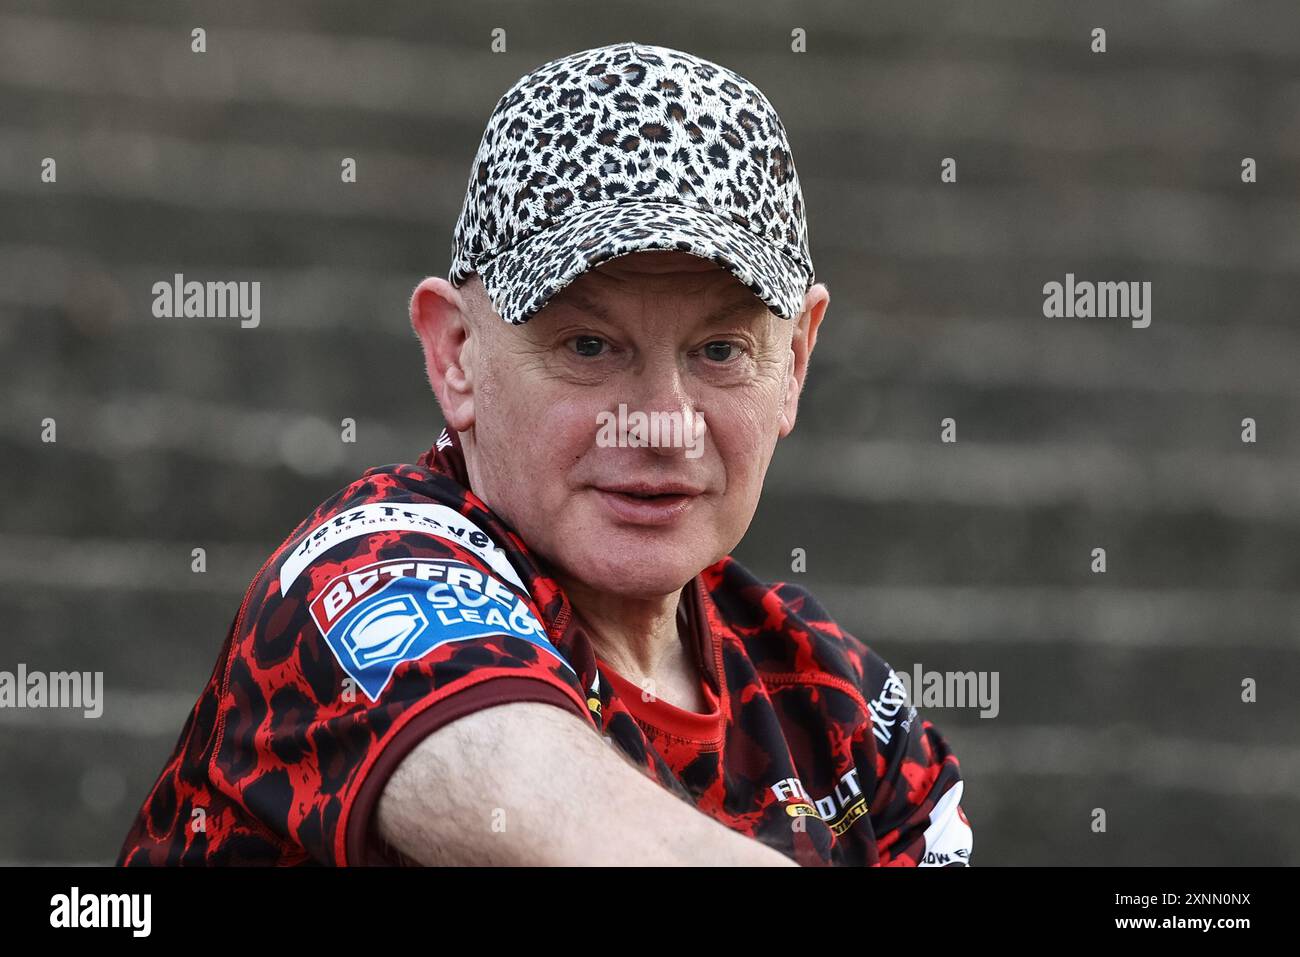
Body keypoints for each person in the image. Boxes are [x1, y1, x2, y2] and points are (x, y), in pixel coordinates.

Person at [117, 41, 972, 867]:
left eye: (720, 351)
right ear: (456, 353)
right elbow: (550, 812)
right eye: (589, 347)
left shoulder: (845, 711)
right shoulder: (358, 579)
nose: (661, 425)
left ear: (795, 363)